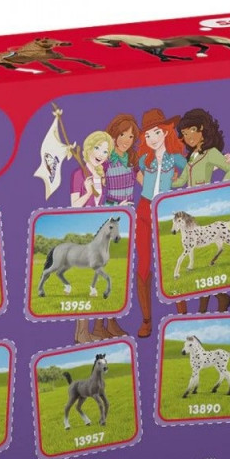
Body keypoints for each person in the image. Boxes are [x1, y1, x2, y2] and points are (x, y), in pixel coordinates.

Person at [173, 108, 230, 314]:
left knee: (201, 256)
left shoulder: (211, 153)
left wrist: (218, 189)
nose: (188, 137)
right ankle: (219, 299)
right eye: (184, 134)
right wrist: (169, 180)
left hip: (204, 207)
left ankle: (207, 307)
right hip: (192, 207)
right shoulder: (191, 157)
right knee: (198, 257)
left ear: (202, 129)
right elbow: (182, 181)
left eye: (191, 130)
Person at [135, 108, 187, 337]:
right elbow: (138, 175)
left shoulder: (176, 158)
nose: (152, 138)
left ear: (166, 132)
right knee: (144, 264)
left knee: (171, 260)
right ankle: (146, 319)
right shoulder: (143, 160)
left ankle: (182, 315)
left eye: (156, 132)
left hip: (166, 211)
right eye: (147, 135)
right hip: (144, 209)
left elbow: (191, 174)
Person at [91, 113, 140, 339]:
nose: (126, 140)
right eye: (122, 135)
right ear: (113, 135)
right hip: (109, 220)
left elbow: (145, 182)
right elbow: (97, 192)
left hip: (127, 221)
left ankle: (110, 321)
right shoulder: (106, 159)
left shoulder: (131, 159)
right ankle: (99, 325)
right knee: (105, 269)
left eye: (131, 136)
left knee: (120, 272)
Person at [69, 131, 112, 344]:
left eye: (105, 151)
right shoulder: (79, 174)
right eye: (98, 148)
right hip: (82, 232)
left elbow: (100, 205)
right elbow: (73, 206)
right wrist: (87, 192)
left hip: (96, 234)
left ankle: (83, 333)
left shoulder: (100, 174)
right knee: (86, 280)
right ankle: (82, 333)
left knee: (93, 280)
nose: (101, 154)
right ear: (88, 148)